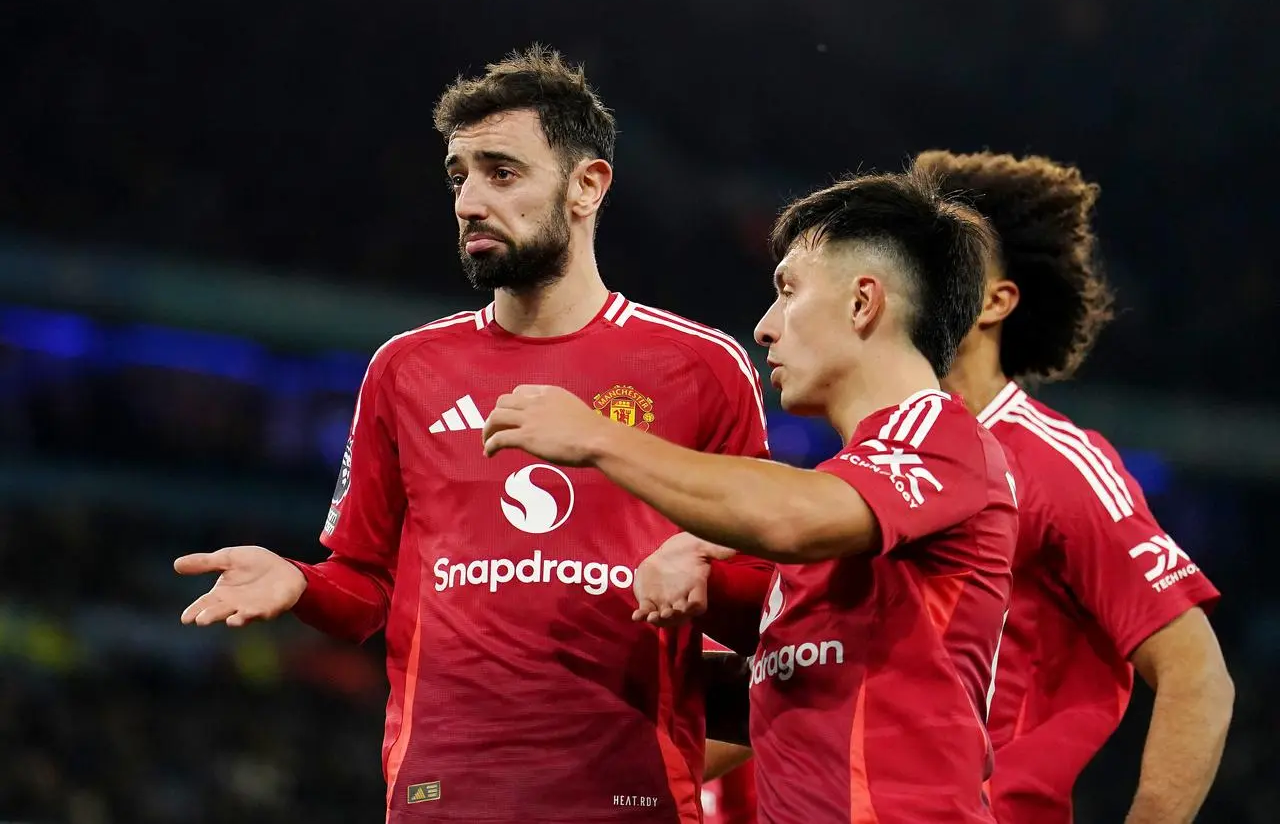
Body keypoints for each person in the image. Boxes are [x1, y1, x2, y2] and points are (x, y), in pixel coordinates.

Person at [173, 45, 774, 823]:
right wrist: (299, 581)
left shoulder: (702, 367)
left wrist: (703, 562)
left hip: (634, 797)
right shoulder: (405, 368)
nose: (467, 201)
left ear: (587, 186)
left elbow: (770, 586)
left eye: (502, 171)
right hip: (442, 798)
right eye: (459, 175)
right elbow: (361, 589)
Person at [481, 170, 1020, 823]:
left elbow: (790, 516)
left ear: (862, 303)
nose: (764, 328)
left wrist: (599, 437)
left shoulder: (936, 430)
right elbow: (797, 680)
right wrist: (684, 588)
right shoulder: (842, 516)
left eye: (787, 290)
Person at [914, 149, 1233, 823]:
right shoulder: (875, 453)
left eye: (943, 253)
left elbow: (1196, 673)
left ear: (996, 300)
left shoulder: (1057, 464)